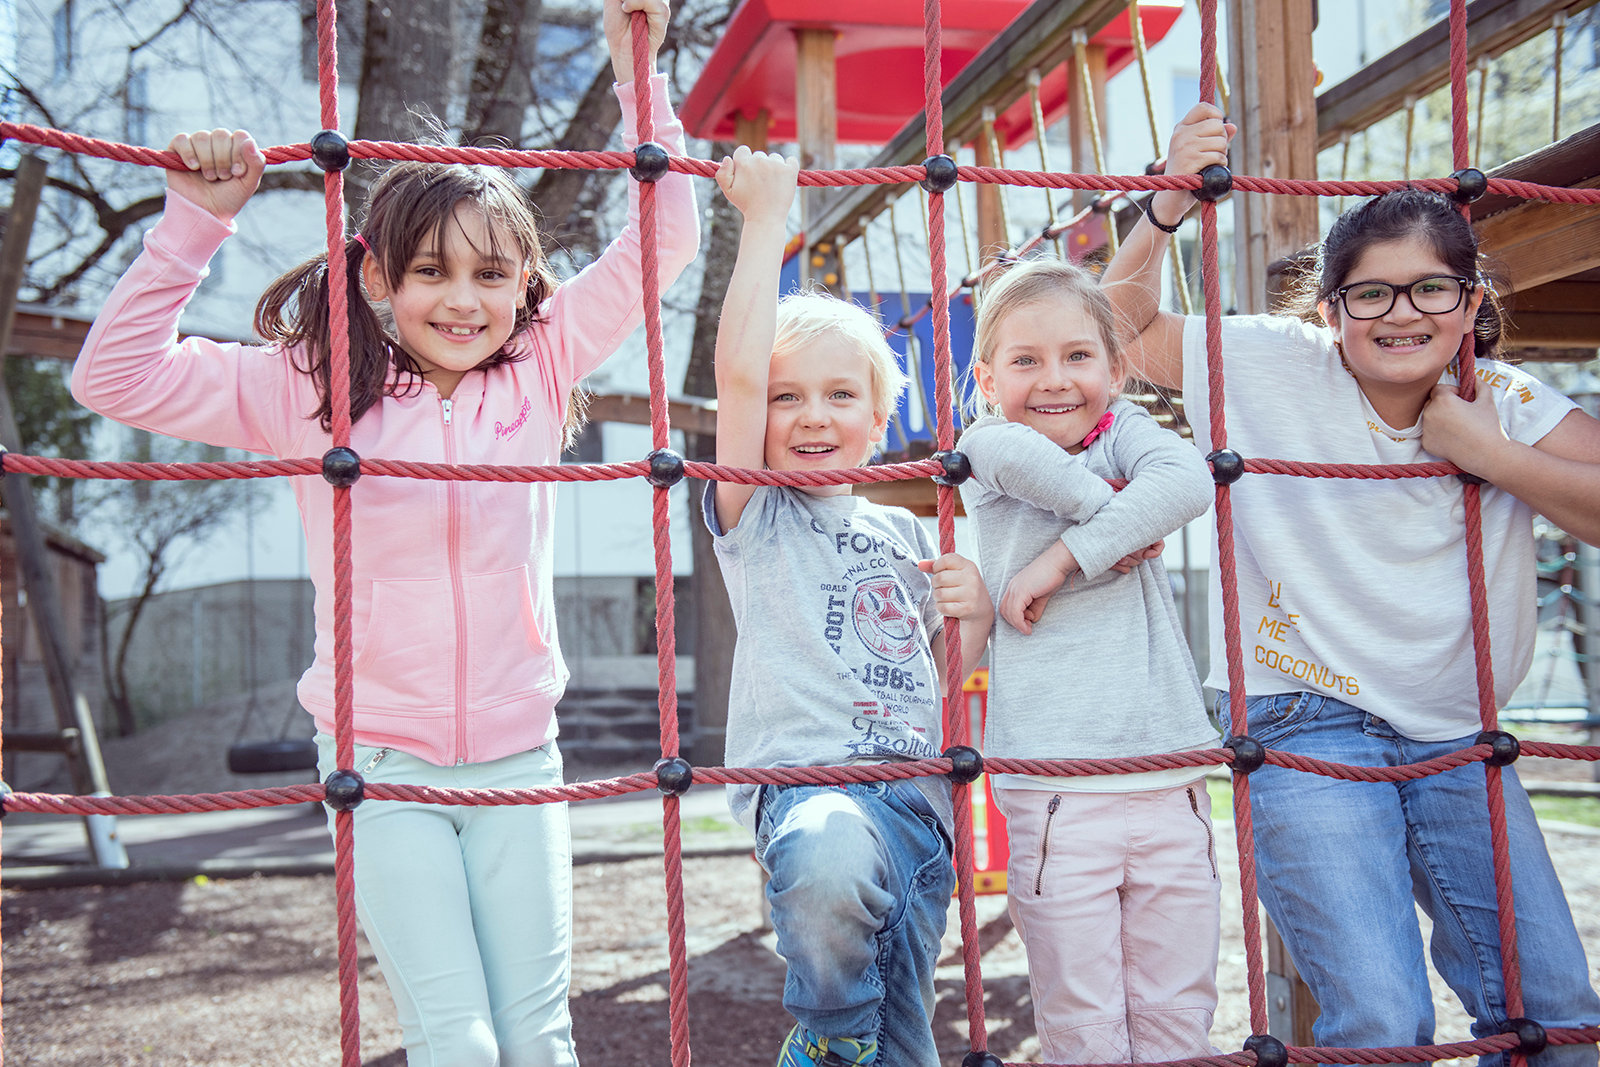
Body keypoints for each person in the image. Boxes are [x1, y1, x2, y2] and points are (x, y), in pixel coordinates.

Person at [71, 2, 696, 1061]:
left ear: (524, 288)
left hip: (517, 758)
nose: (465, 300)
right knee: (456, 1037)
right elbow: (113, 375)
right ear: (377, 278)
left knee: (541, 1034)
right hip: (380, 761)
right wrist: (194, 222)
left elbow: (663, 233)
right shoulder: (312, 388)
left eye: (493, 275)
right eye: (433, 273)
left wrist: (637, 68)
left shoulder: (541, 363)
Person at [1106, 102, 1600, 1066]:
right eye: (1370, 295)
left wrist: (1488, 454)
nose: (1402, 313)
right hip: (1305, 714)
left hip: (1460, 727)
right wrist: (1167, 202)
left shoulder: (1502, 400)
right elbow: (1114, 331)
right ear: (1329, 311)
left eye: (1430, 290)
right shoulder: (1267, 363)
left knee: (1562, 1014)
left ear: (1470, 299)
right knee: (1380, 1019)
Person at [704, 145, 992, 1067]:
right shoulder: (758, 513)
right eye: (789, 398)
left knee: (905, 1037)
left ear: (880, 418)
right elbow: (739, 380)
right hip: (807, 787)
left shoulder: (908, 533)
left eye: (839, 395)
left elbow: (945, 670)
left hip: (913, 802)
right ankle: (825, 1038)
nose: (813, 415)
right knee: (828, 865)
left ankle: (849, 1045)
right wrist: (763, 226)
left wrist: (972, 608)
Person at [957, 248, 1225, 1057]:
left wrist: (1066, 557)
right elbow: (1029, 464)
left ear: (1114, 367)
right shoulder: (985, 446)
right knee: (1083, 1011)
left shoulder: (1129, 432)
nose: (1055, 379)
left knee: (1179, 1001)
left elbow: (1185, 480)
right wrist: (1116, 519)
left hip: (1169, 771)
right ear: (988, 379)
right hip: (1056, 781)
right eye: (1025, 360)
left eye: (1078, 356)